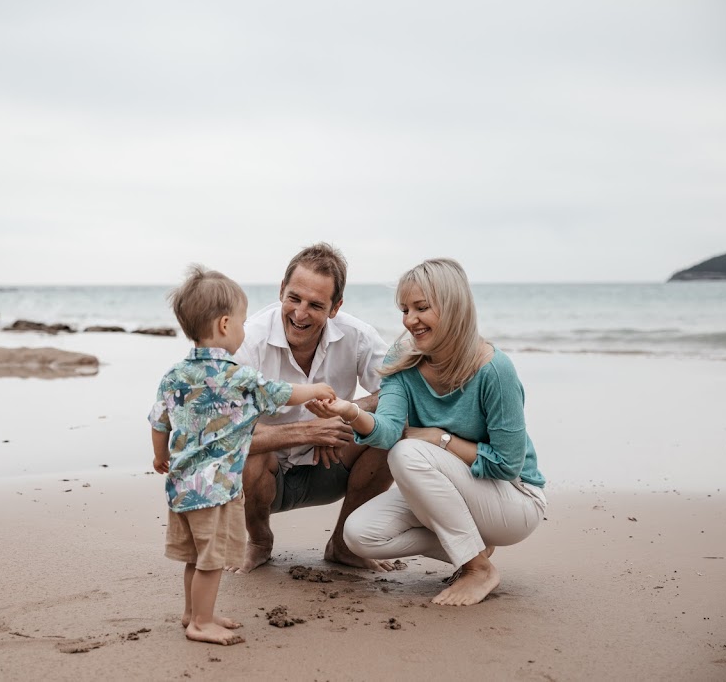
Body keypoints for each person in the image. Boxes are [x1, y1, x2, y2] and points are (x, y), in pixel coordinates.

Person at [314, 258, 547, 606]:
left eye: (421, 308)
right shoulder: (404, 357)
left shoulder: (495, 370)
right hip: (447, 491)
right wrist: (350, 412)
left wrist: (440, 438)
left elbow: (507, 465)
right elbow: (389, 431)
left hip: (513, 501)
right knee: (359, 535)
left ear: (453, 308)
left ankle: (476, 569)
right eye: (405, 309)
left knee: (408, 453)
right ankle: (475, 549)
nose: (410, 320)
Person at [149, 265, 336, 645]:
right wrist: (317, 387)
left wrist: (160, 457)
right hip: (216, 490)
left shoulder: (173, 375)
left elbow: (158, 421)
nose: (244, 330)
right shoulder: (238, 376)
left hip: (182, 489)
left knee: (195, 557)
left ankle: (193, 612)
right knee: (212, 559)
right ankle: (201, 623)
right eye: (241, 322)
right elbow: (283, 393)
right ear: (223, 325)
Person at [229, 243, 393, 574]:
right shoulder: (249, 341)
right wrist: (307, 431)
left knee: (393, 432)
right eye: (294, 298)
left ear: (335, 307)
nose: (300, 313)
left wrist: (345, 412)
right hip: (263, 476)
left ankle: (343, 547)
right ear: (281, 291)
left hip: (330, 464)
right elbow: (226, 430)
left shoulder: (358, 336)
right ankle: (259, 542)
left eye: (316, 305)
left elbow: (399, 390)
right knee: (249, 448)